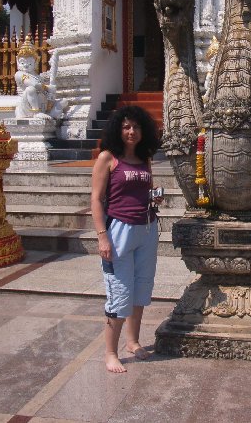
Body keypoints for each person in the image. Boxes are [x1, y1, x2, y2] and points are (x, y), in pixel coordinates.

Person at [91, 105, 163, 373]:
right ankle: (110, 352)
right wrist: (102, 237)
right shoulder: (108, 158)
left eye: (136, 127)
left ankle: (132, 341)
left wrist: (155, 195)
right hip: (118, 229)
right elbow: (97, 199)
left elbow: (147, 189)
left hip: (146, 228)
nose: (131, 132)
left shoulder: (145, 159)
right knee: (119, 294)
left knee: (141, 288)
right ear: (118, 130)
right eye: (126, 127)